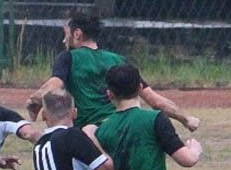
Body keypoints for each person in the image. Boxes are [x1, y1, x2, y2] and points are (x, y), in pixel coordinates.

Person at [26, 12, 199, 131]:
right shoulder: (118, 60)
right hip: (118, 129)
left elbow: (54, 86)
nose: (64, 38)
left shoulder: (68, 57)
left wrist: (35, 99)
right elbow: (155, 101)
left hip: (88, 132)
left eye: (66, 33)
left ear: (77, 33)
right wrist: (186, 119)